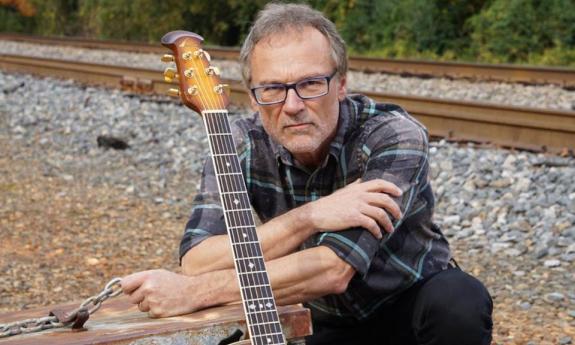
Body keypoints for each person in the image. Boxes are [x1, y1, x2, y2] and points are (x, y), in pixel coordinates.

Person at [121, 3, 493, 344]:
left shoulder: (392, 135)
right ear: (252, 97)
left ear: (342, 84)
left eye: (311, 84)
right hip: (316, 316)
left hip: (406, 307)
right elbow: (197, 260)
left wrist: (195, 293)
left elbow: (333, 269)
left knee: (459, 301)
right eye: (272, 89)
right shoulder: (238, 143)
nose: (293, 105)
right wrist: (310, 217)